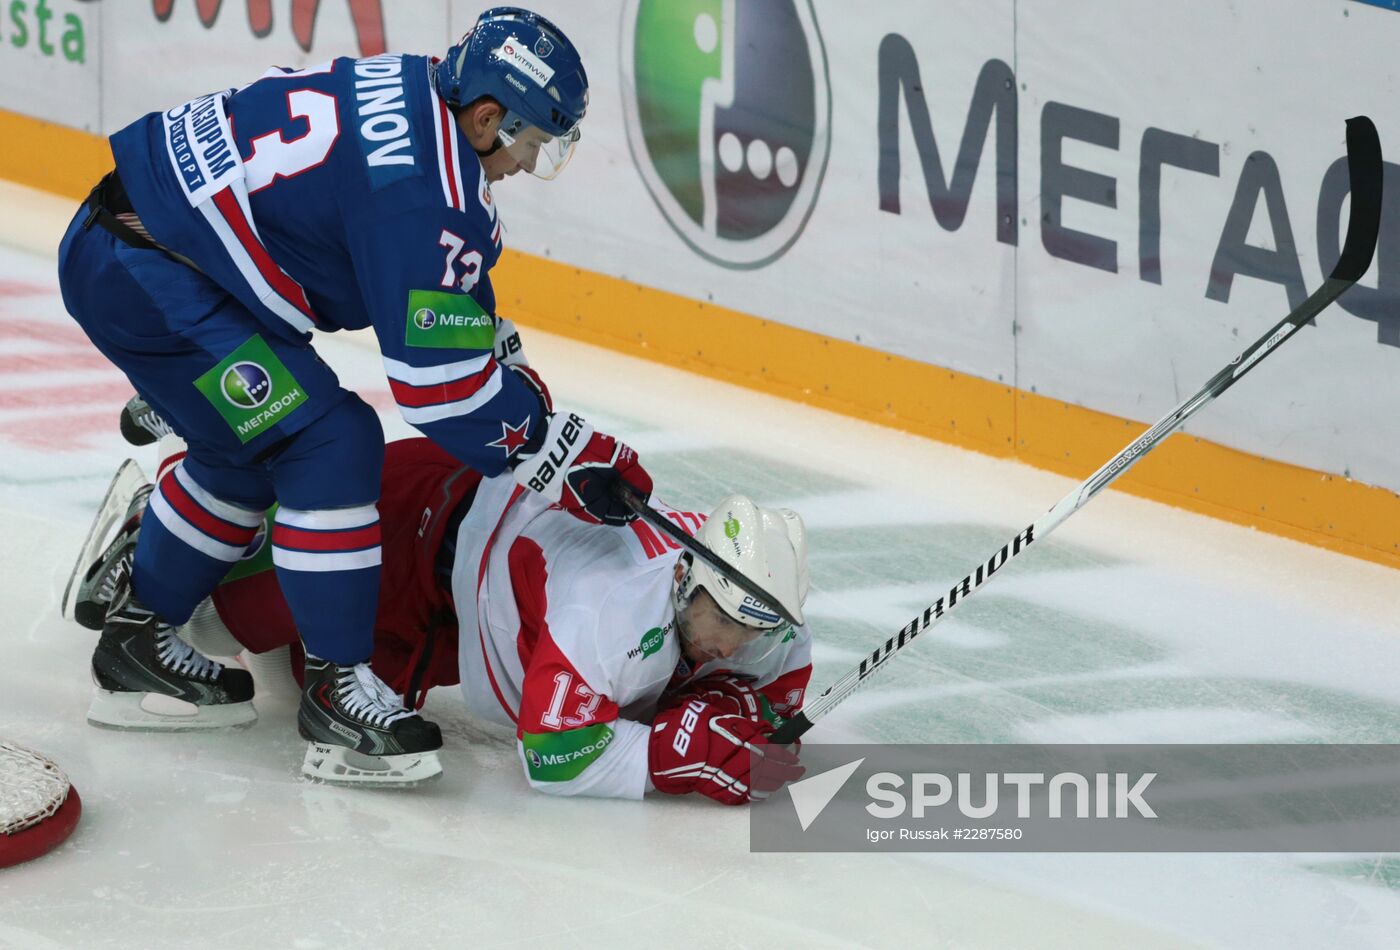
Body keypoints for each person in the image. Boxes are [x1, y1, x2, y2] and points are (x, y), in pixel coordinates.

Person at [55, 8, 651, 785]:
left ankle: (137, 638)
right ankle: (340, 697)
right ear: (487, 118)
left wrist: (502, 369)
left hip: (150, 252)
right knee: (330, 443)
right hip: (152, 277)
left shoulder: (413, 91)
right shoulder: (429, 192)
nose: (522, 166)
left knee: (245, 453)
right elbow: (439, 392)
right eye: (531, 145)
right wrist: (554, 447)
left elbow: (435, 291)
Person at [72, 423, 811, 798]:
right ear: (685, 578)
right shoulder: (607, 614)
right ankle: (175, 510)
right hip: (412, 519)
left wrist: (739, 710)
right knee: (217, 628)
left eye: (756, 629)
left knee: (310, 684)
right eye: (727, 621)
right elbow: (553, 757)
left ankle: (238, 536)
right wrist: (666, 756)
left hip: (457, 615)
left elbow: (780, 683)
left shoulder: (758, 614)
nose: (736, 641)